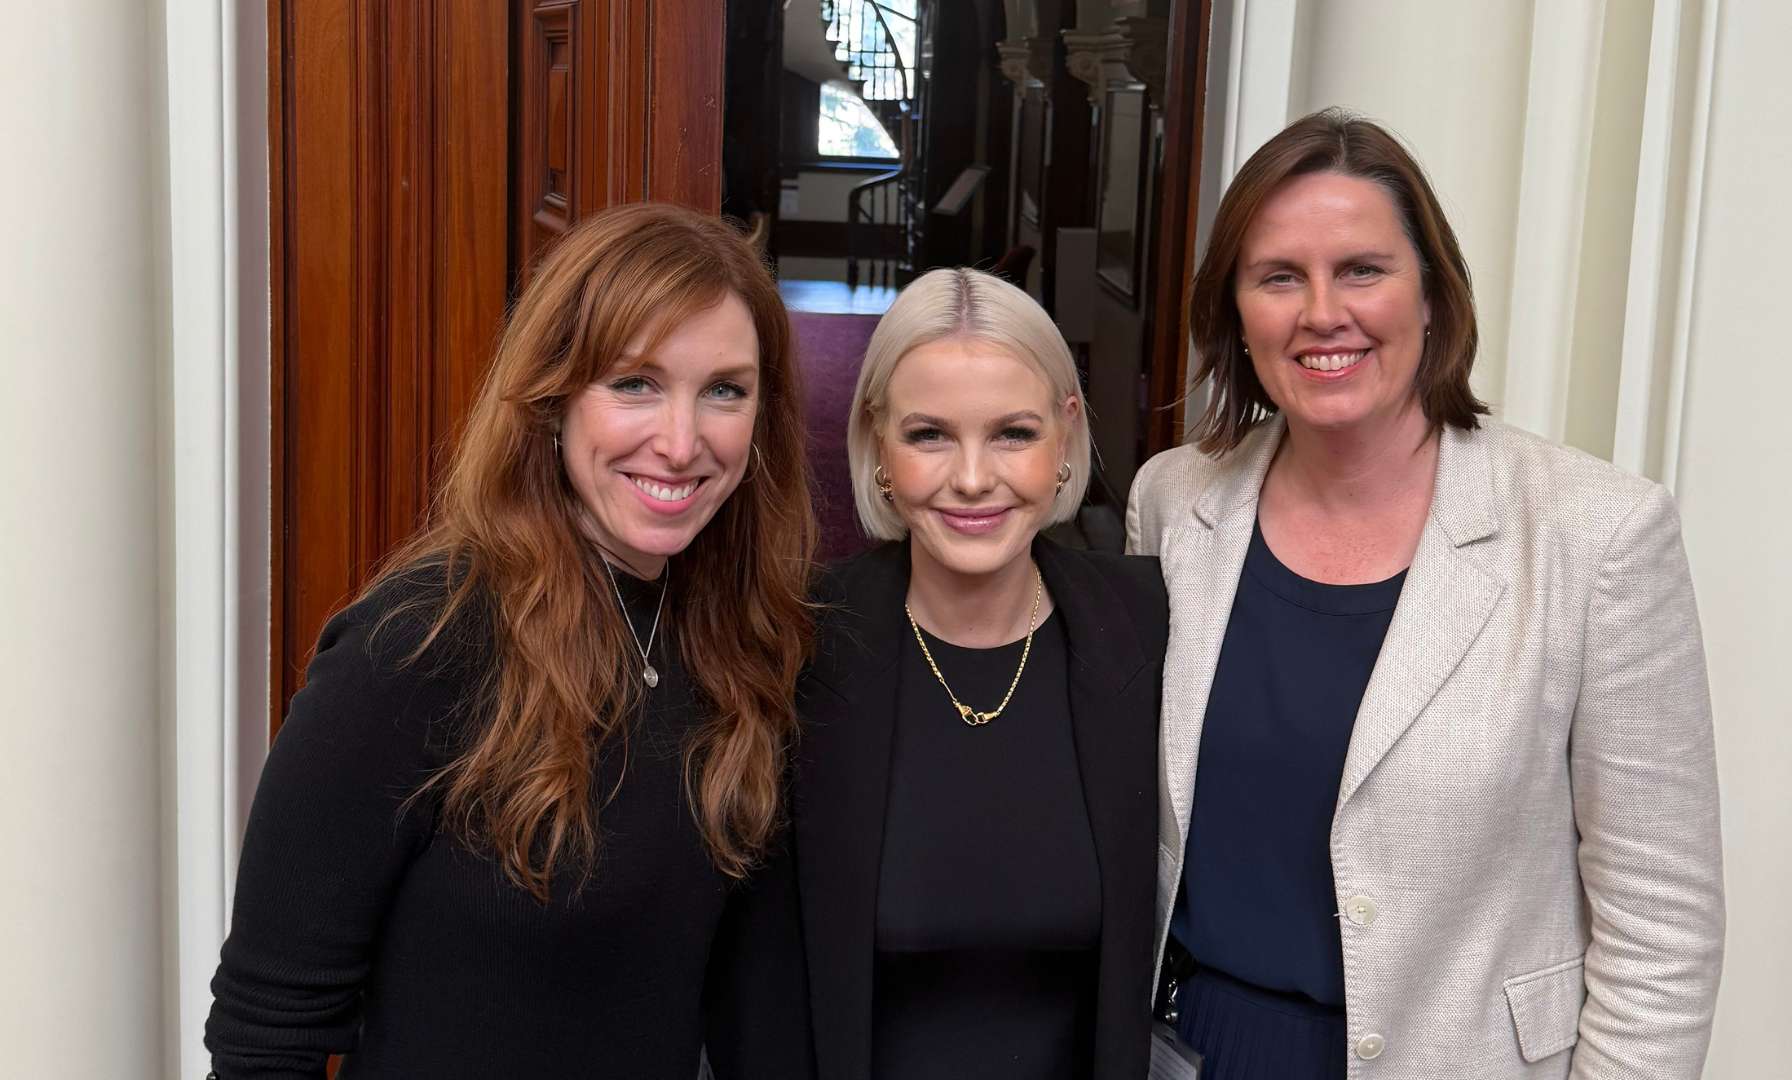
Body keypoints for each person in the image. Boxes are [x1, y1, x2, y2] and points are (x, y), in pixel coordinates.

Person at [1128, 109, 1724, 1078]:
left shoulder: (1597, 535)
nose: (1323, 311)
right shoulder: (1174, 502)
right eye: (1280, 276)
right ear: (1236, 312)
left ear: (1435, 295)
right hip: (1196, 1050)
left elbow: (1661, 929)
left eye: (1363, 269)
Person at [205, 203, 816, 1079]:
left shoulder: (734, 634)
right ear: (552, 397)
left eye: (725, 389)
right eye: (635, 382)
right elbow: (266, 1034)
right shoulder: (418, 644)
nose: (682, 443)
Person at [790, 268, 1168, 1079]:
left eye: (1013, 434)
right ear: (877, 441)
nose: (971, 478)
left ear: (1065, 435)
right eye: (929, 435)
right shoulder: (797, 647)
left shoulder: (1147, 625)